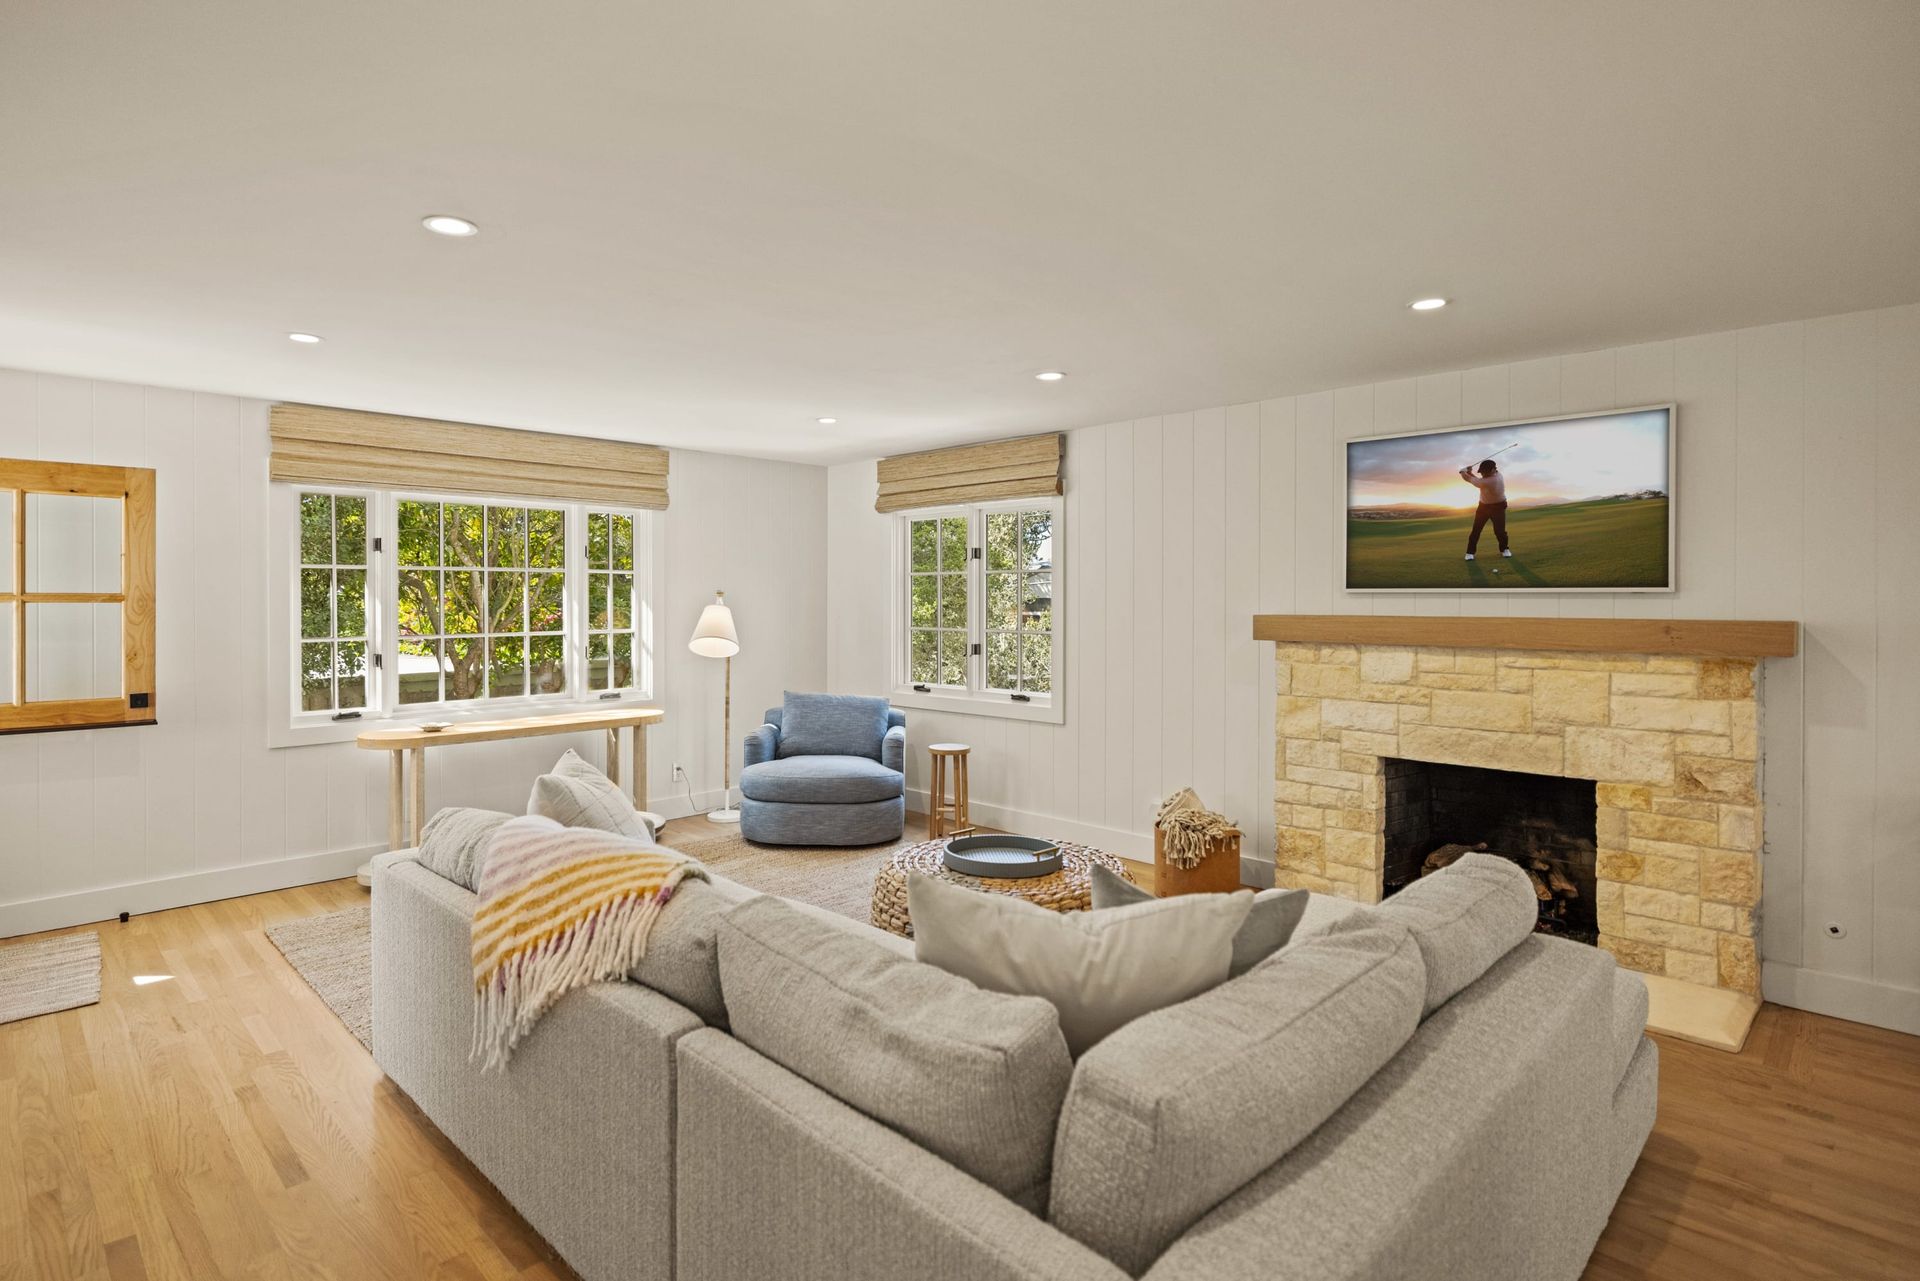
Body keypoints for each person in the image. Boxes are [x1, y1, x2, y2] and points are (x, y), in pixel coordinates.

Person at [1459, 459, 1510, 560]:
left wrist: (1462, 472)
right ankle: (1470, 553)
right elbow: (1478, 481)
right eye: (1481, 472)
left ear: (1493, 470)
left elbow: (1470, 480)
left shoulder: (1492, 480)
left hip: (1498, 507)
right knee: (1476, 530)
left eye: (1485, 472)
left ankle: (1504, 549)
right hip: (1484, 507)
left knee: (1500, 531)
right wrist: (1469, 472)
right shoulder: (1497, 474)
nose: (1482, 474)